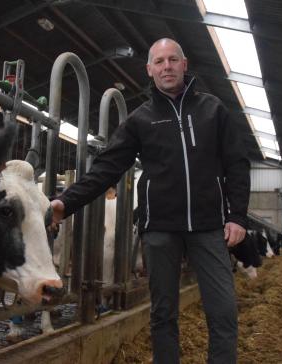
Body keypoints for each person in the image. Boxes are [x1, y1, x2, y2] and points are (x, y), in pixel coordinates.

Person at [49, 38, 250, 363]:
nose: (167, 66)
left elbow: (237, 163)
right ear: (149, 70)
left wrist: (238, 216)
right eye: (159, 61)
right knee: (162, 313)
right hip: (160, 229)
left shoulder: (213, 109)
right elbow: (107, 167)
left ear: (184, 65)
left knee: (224, 310)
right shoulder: (141, 119)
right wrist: (65, 202)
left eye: (173, 60)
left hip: (209, 226)